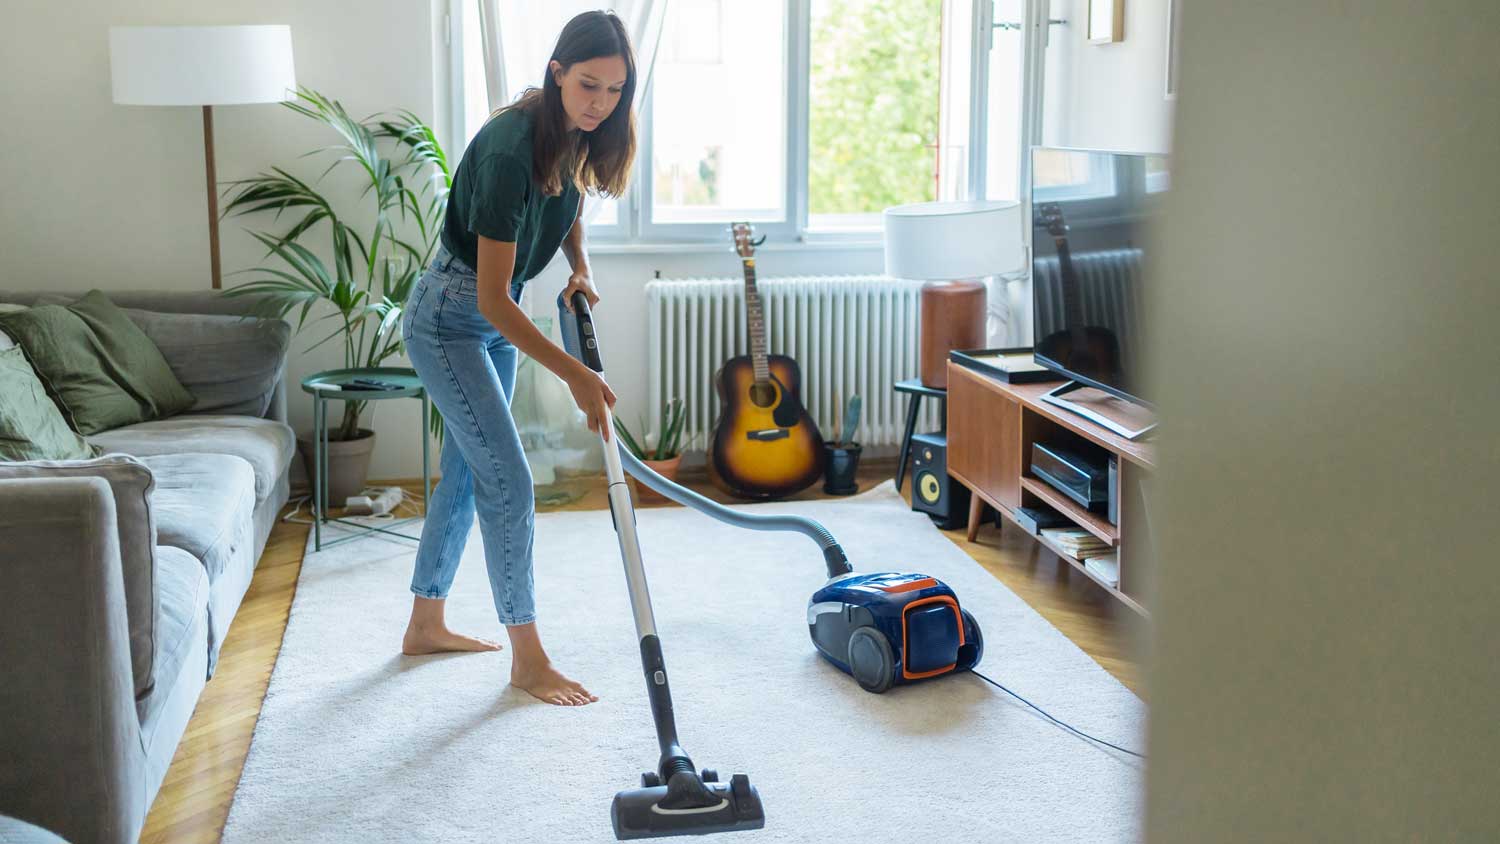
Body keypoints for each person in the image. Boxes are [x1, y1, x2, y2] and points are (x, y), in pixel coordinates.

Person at [398, 11, 636, 707]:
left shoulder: (569, 136)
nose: (599, 103)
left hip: (493, 318)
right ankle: (528, 659)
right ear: (557, 72)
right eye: (588, 84)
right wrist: (578, 376)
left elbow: (568, 207)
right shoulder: (509, 148)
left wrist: (581, 267)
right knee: (510, 481)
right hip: (450, 320)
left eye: (615, 91)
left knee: (470, 476)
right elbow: (495, 299)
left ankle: (424, 624)